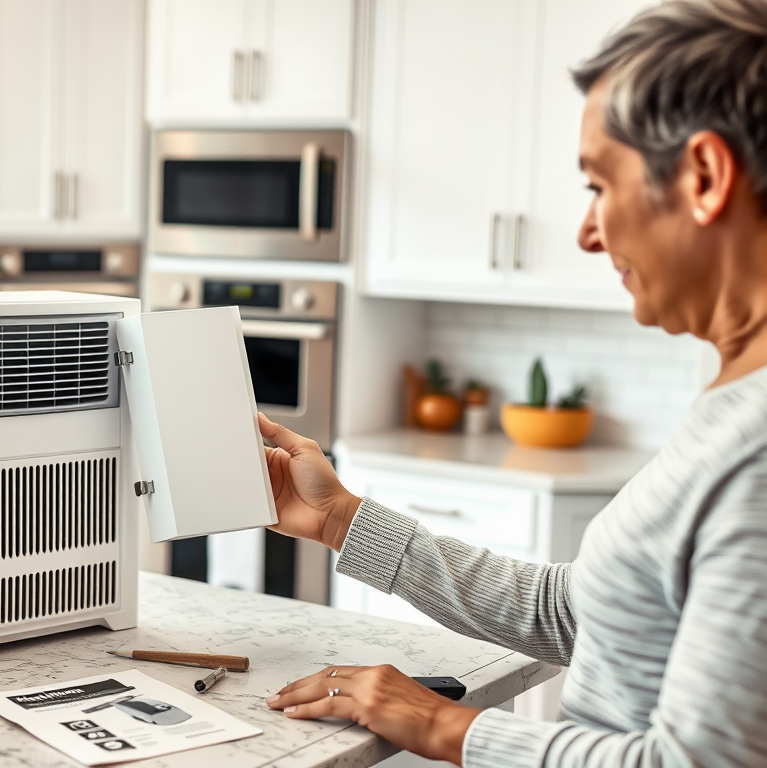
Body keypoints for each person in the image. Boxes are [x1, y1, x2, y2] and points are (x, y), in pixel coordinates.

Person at [260, 1, 767, 766]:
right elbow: (577, 612)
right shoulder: (734, 408)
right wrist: (340, 520)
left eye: (599, 185)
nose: (587, 232)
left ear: (703, 176)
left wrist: (441, 726)